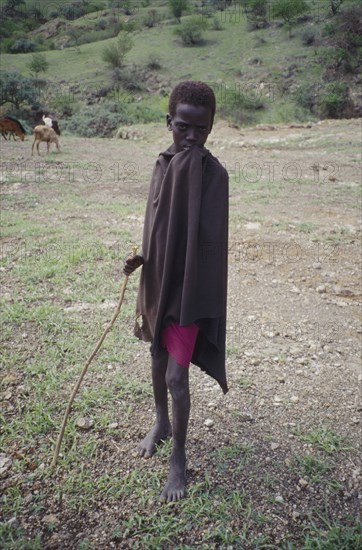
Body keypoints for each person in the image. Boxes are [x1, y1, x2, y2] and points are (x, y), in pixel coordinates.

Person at [123, 80, 229, 502]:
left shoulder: (213, 175)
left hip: (188, 293)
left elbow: (209, 242)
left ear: (211, 128)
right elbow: (159, 227)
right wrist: (142, 258)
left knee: (176, 376)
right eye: (183, 127)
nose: (191, 137)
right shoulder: (162, 165)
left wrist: (192, 290)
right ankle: (160, 423)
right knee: (155, 360)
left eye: (200, 130)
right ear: (169, 122)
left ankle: (179, 458)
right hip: (157, 283)